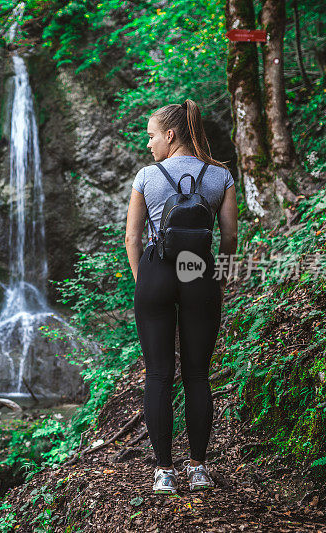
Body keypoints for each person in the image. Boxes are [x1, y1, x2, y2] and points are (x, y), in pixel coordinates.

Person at [124, 99, 238, 494]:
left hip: (156, 273)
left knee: (158, 373)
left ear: (170, 135)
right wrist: (217, 280)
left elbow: (132, 239)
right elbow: (230, 238)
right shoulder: (220, 176)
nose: (149, 144)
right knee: (196, 374)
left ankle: (163, 472)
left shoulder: (147, 176)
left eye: (152, 136)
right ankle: (199, 469)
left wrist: (144, 281)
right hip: (199, 273)